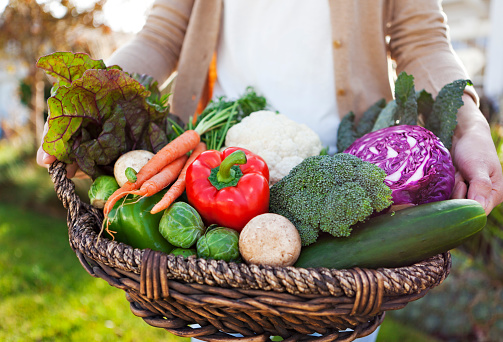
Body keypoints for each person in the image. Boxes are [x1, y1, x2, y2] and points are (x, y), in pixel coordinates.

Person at [36, 0, 503, 340]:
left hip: (350, 195)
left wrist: (469, 123)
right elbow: (161, 35)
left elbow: (420, 39)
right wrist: (95, 103)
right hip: (215, 184)